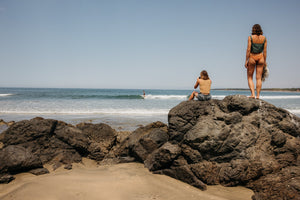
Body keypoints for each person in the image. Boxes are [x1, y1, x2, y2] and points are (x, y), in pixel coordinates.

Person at [245, 24, 267, 99]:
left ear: (253, 30)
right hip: (261, 57)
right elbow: (265, 51)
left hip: (252, 57)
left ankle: (253, 94)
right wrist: (265, 61)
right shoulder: (264, 38)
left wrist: (246, 60)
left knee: (249, 77)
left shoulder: (250, 37)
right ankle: (258, 95)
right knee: (258, 78)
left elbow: (248, 49)